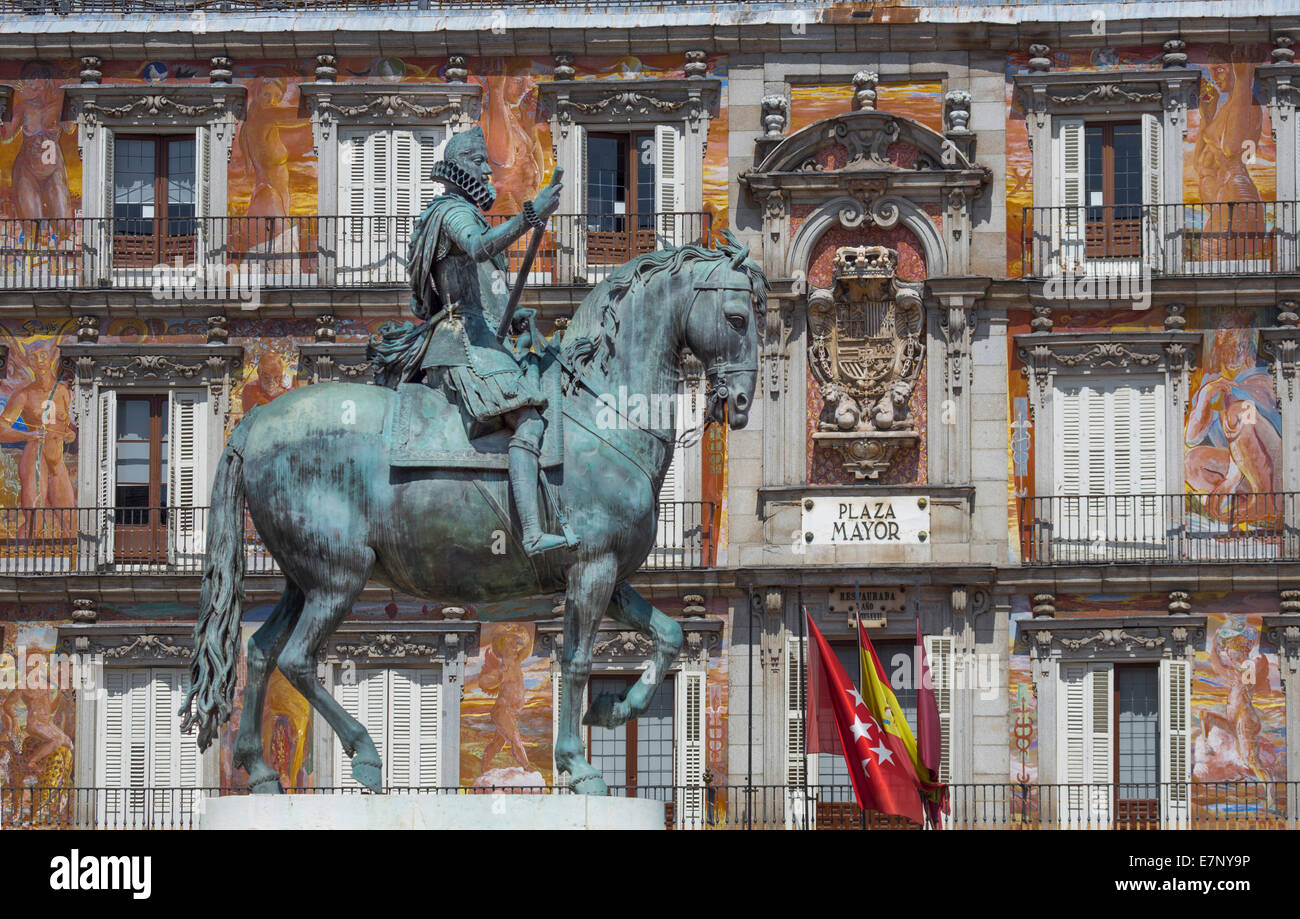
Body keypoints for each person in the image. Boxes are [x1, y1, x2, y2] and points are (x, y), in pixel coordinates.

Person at [390, 126, 576, 556]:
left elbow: (486, 292)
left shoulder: (464, 211)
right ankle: (530, 532)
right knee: (529, 419)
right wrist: (531, 215)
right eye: (478, 163)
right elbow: (476, 248)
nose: (486, 175)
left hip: (479, 336)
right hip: (460, 343)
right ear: (458, 166)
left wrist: (511, 320)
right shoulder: (450, 211)